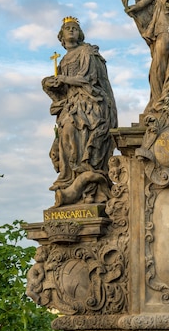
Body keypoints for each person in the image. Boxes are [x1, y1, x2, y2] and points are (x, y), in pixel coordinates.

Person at [42, 17, 118, 207]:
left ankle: (88, 187)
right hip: (72, 105)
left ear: (80, 33)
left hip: (89, 103)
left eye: (75, 28)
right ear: (61, 35)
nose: (72, 31)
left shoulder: (86, 51)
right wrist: (51, 83)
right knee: (65, 139)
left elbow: (88, 79)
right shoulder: (64, 59)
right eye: (68, 28)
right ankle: (71, 181)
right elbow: (63, 90)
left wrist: (63, 79)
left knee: (78, 138)